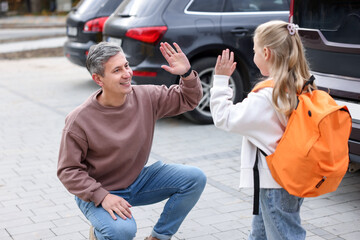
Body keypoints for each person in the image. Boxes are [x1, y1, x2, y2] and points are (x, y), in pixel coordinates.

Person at [57, 41, 207, 240]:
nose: (127, 74)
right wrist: (102, 196)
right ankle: (103, 230)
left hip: (137, 181)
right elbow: (68, 170)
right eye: (117, 70)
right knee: (121, 232)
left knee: (194, 178)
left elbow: (188, 100)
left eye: (126, 66)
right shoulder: (79, 119)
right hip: (97, 192)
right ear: (98, 79)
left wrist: (186, 74)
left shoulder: (146, 96)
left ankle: (158, 237)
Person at [210, 20, 313, 239]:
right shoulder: (302, 83)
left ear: (266, 52)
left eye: (254, 50)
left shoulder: (267, 97)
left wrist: (221, 81)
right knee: (261, 234)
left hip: (274, 182)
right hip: (291, 176)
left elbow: (223, 118)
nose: (254, 55)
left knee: (285, 234)